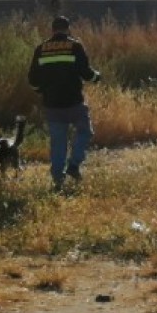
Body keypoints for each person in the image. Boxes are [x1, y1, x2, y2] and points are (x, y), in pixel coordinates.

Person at [28, 16, 100, 191]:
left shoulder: (41, 49)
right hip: (73, 102)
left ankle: (58, 181)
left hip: (52, 104)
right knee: (84, 131)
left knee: (58, 142)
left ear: (52, 30)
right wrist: (97, 77)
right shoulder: (75, 46)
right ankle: (74, 164)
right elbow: (86, 73)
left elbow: (32, 80)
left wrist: (42, 89)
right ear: (67, 29)